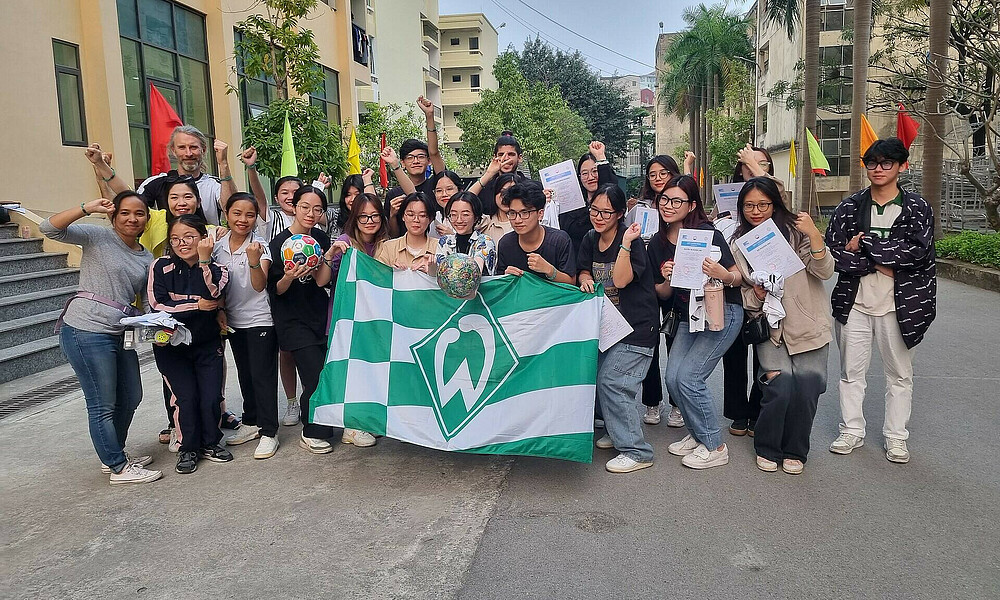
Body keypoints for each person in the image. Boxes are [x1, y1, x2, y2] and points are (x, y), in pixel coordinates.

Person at [825, 137, 936, 464]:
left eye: (886, 162)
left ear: (902, 166)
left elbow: (918, 255)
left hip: (900, 305)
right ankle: (851, 430)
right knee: (850, 371)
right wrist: (880, 263)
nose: (878, 169)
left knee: (900, 374)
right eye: (872, 163)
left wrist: (866, 249)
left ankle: (896, 436)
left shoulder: (917, 208)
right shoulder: (849, 207)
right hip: (854, 302)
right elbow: (834, 251)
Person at [40, 193, 162, 484]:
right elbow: (49, 228)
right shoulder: (98, 237)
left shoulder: (146, 257)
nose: (132, 219)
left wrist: (162, 323)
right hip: (86, 331)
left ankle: (114, 452)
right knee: (102, 403)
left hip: (122, 331)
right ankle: (118, 466)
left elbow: (146, 302)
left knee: (132, 396)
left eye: (140, 213)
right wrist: (86, 208)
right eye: (125, 213)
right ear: (113, 216)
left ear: (147, 219)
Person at [731, 177, 834, 474]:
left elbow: (824, 270)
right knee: (779, 385)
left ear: (774, 204)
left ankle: (795, 450)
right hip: (771, 329)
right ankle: (767, 446)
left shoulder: (797, 234)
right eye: (749, 205)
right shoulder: (739, 243)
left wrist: (815, 235)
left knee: (808, 386)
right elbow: (743, 294)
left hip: (808, 324)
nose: (756, 211)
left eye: (763, 204)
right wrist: (756, 294)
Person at [649, 175, 743, 470]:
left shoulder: (707, 233)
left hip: (721, 311)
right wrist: (666, 278)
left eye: (676, 200)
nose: (668, 205)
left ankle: (715, 446)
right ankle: (697, 433)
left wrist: (719, 271)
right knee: (673, 377)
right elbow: (662, 294)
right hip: (688, 315)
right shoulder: (658, 242)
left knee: (690, 378)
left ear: (691, 205)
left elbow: (736, 277)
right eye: (664, 199)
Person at [577, 185, 659, 473]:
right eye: (594, 210)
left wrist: (625, 243)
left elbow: (621, 280)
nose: (598, 217)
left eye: (606, 212)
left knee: (613, 382)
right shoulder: (590, 238)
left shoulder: (632, 240)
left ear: (620, 214)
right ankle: (615, 430)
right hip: (607, 327)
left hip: (637, 328)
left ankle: (637, 451)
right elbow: (583, 268)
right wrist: (586, 277)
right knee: (599, 377)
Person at [148, 215, 233, 474]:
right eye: (175, 238)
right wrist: (196, 305)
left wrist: (205, 260)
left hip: (207, 343)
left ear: (203, 238)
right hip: (170, 347)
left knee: (210, 397)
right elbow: (157, 305)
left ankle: (211, 442)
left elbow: (213, 294)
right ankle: (187, 448)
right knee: (185, 398)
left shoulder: (219, 269)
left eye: (189, 237)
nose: (181, 243)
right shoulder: (159, 267)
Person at [267, 185, 342, 454]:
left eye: (318, 209)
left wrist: (326, 256)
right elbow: (276, 289)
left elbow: (322, 281)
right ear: (293, 207)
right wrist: (288, 276)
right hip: (292, 320)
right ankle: (311, 432)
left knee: (326, 371)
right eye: (305, 207)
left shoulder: (320, 238)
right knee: (313, 375)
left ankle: (326, 421)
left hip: (319, 315)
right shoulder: (278, 244)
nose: (311, 213)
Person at [214, 193, 281, 459]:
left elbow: (259, 285)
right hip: (232, 321)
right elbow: (214, 284)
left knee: (262, 376)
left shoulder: (260, 245)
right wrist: (220, 310)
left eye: (250, 215)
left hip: (260, 319)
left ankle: (269, 431)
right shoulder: (217, 246)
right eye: (237, 213)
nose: (243, 219)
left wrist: (254, 260)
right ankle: (251, 421)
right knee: (245, 373)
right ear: (227, 214)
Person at [718, 146, 777, 437]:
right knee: (735, 356)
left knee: (765, 358)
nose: (756, 209)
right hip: (739, 297)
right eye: (748, 165)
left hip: (772, 299)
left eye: (761, 164)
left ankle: (757, 411)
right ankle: (738, 414)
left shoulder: (779, 215)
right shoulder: (731, 218)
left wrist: (756, 166)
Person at [635, 155, 686, 429]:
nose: (657, 178)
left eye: (663, 172)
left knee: (676, 340)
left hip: (675, 283)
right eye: (652, 173)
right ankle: (652, 400)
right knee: (649, 343)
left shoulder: (684, 208)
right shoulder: (640, 206)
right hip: (644, 281)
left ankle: (678, 404)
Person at [136, 125, 237, 226]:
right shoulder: (155, 183)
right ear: (173, 151)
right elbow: (134, 209)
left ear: (204, 150)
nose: (188, 153)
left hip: (209, 240)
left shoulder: (214, 184)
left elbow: (233, 210)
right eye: (182, 147)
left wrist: (223, 163)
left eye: (193, 147)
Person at [384, 96, 447, 235]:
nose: (416, 161)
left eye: (420, 157)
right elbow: (393, 235)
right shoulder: (394, 195)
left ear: (428, 161)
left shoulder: (437, 184)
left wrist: (429, 116)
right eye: (410, 157)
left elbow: (434, 152)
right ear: (403, 163)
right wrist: (393, 214)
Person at [496, 181, 576, 283]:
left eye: (524, 213)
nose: (517, 220)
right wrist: (506, 277)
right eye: (512, 213)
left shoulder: (560, 240)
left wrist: (550, 270)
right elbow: (500, 282)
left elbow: (572, 283)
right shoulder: (506, 244)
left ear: (540, 214)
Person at [560, 141, 618, 255]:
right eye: (585, 173)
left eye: (595, 171)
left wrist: (600, 156)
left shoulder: (611, 203)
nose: (590, 177)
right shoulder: (572, 205)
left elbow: (610, 188)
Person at [435, 191, 497, 275]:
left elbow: (476, 269)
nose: (459, 220)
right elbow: (438, 274)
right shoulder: (445, 242)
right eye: (453, 215)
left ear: (476, 217)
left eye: (465, 215)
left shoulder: (485, 241)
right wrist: (431, 265)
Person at [375, 192, 439, 270]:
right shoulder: (389, 247)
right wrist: (392, 272)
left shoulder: (440, 247)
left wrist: (433, 273)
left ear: (430, 219)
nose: (416, 220)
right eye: (411, 215)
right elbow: (378, 277)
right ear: (403, 216)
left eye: (422, 215)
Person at [469, 134, 527, 216]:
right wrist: (489, 173)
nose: (506, 158)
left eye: (511, 154)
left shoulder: (531, 186)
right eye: (501, 155)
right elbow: (465, 202)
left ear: (519, 158)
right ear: (494, 157)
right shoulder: (484, 187)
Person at [477, 171, 517, 241]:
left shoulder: (524, 223)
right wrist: (488, 174)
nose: (505, 197)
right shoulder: (486, 222)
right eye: (502, 191)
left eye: (511, 192)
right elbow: (464, 202)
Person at [427, 170, 465, 238]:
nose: (444, 194)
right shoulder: (434, 218)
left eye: (449, 189)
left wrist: (452, 235)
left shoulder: (468, 217)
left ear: (460, 190)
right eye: (439, 191)